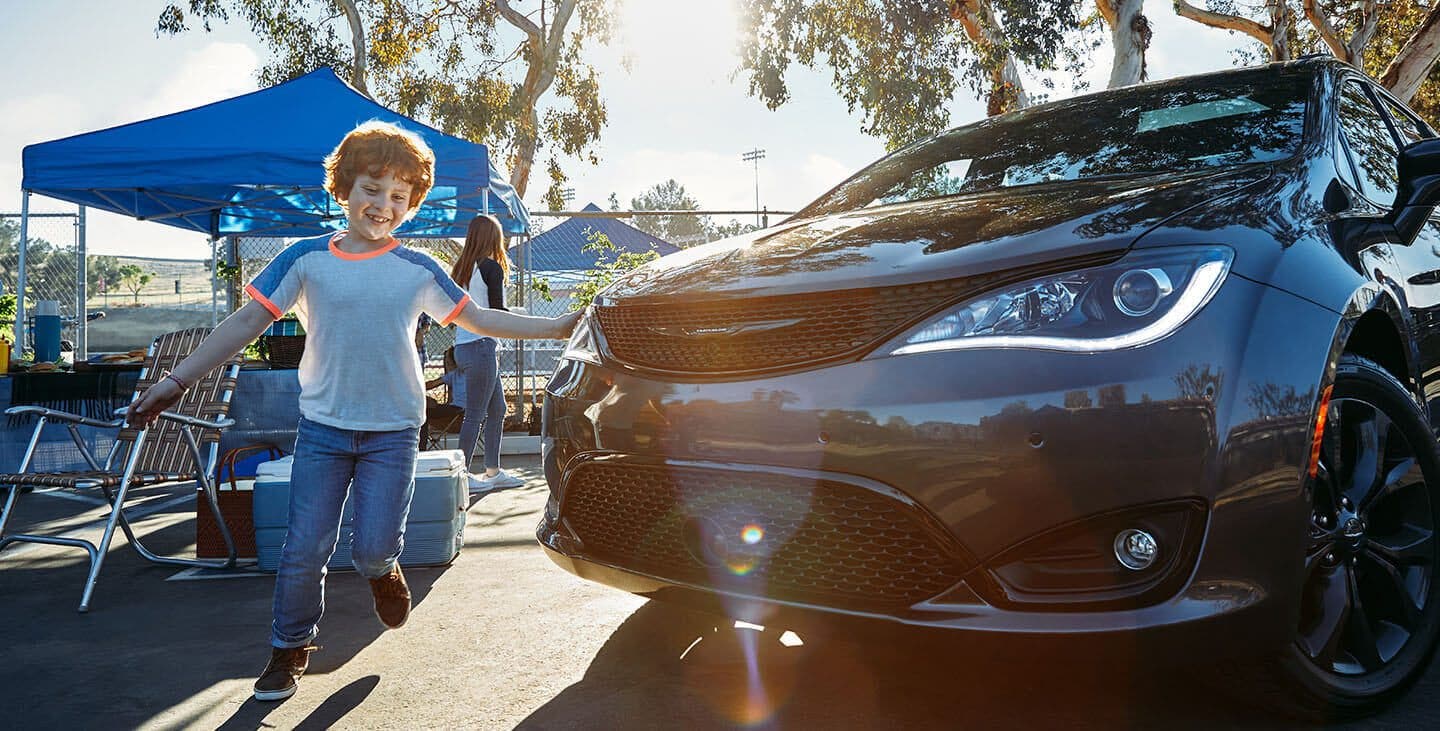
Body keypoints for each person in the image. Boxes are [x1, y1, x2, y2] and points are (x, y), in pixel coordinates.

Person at [124, 120, 580, 703]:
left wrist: (559, 325)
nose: (383, 204)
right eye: (372, 188)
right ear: (345, 188)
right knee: (305, 546)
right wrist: (176, 382)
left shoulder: (417, 269)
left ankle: (382, 571)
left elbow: (483, 320)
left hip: (393, 433)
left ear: (412, 203)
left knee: (369, 547)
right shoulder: (307, 259)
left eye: (398, 195)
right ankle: (289, 648)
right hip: (323, 430)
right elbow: (244, 324)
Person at [449, 214, 524, 493]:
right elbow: (496, 312)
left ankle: (492, 470)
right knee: (475, 413)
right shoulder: (491, 267)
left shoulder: (461, 270)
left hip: (464, 346)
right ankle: (463, 475)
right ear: (494, 238)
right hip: (482, 346)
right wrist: (522, 315)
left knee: (497, 409)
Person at [419, 346, 465, 449]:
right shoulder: (466, 374)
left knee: (424, 411)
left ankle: (421, 447)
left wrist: (415, 387)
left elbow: (431, 384)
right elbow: (432, 384)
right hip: (466, 411)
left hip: (459, 411)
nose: (446, 367)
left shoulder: (455, 374)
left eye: (447, 363)